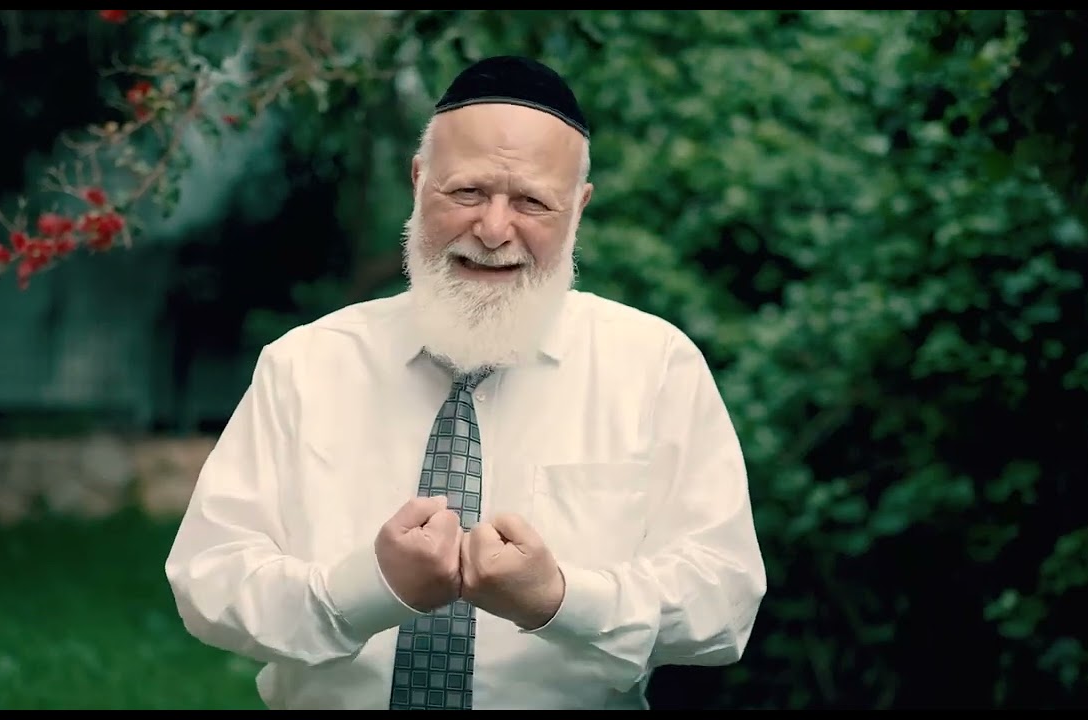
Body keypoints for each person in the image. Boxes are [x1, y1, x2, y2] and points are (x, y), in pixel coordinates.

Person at [164, 55, 767, 711]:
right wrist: (365, 590)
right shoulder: (305, 364)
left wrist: (560, 599)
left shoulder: (655, 366)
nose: (494, 230)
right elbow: (209, 577)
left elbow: (724, 600)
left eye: (532, 201)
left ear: (578, 208)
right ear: (419, 180)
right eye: (468, 192)